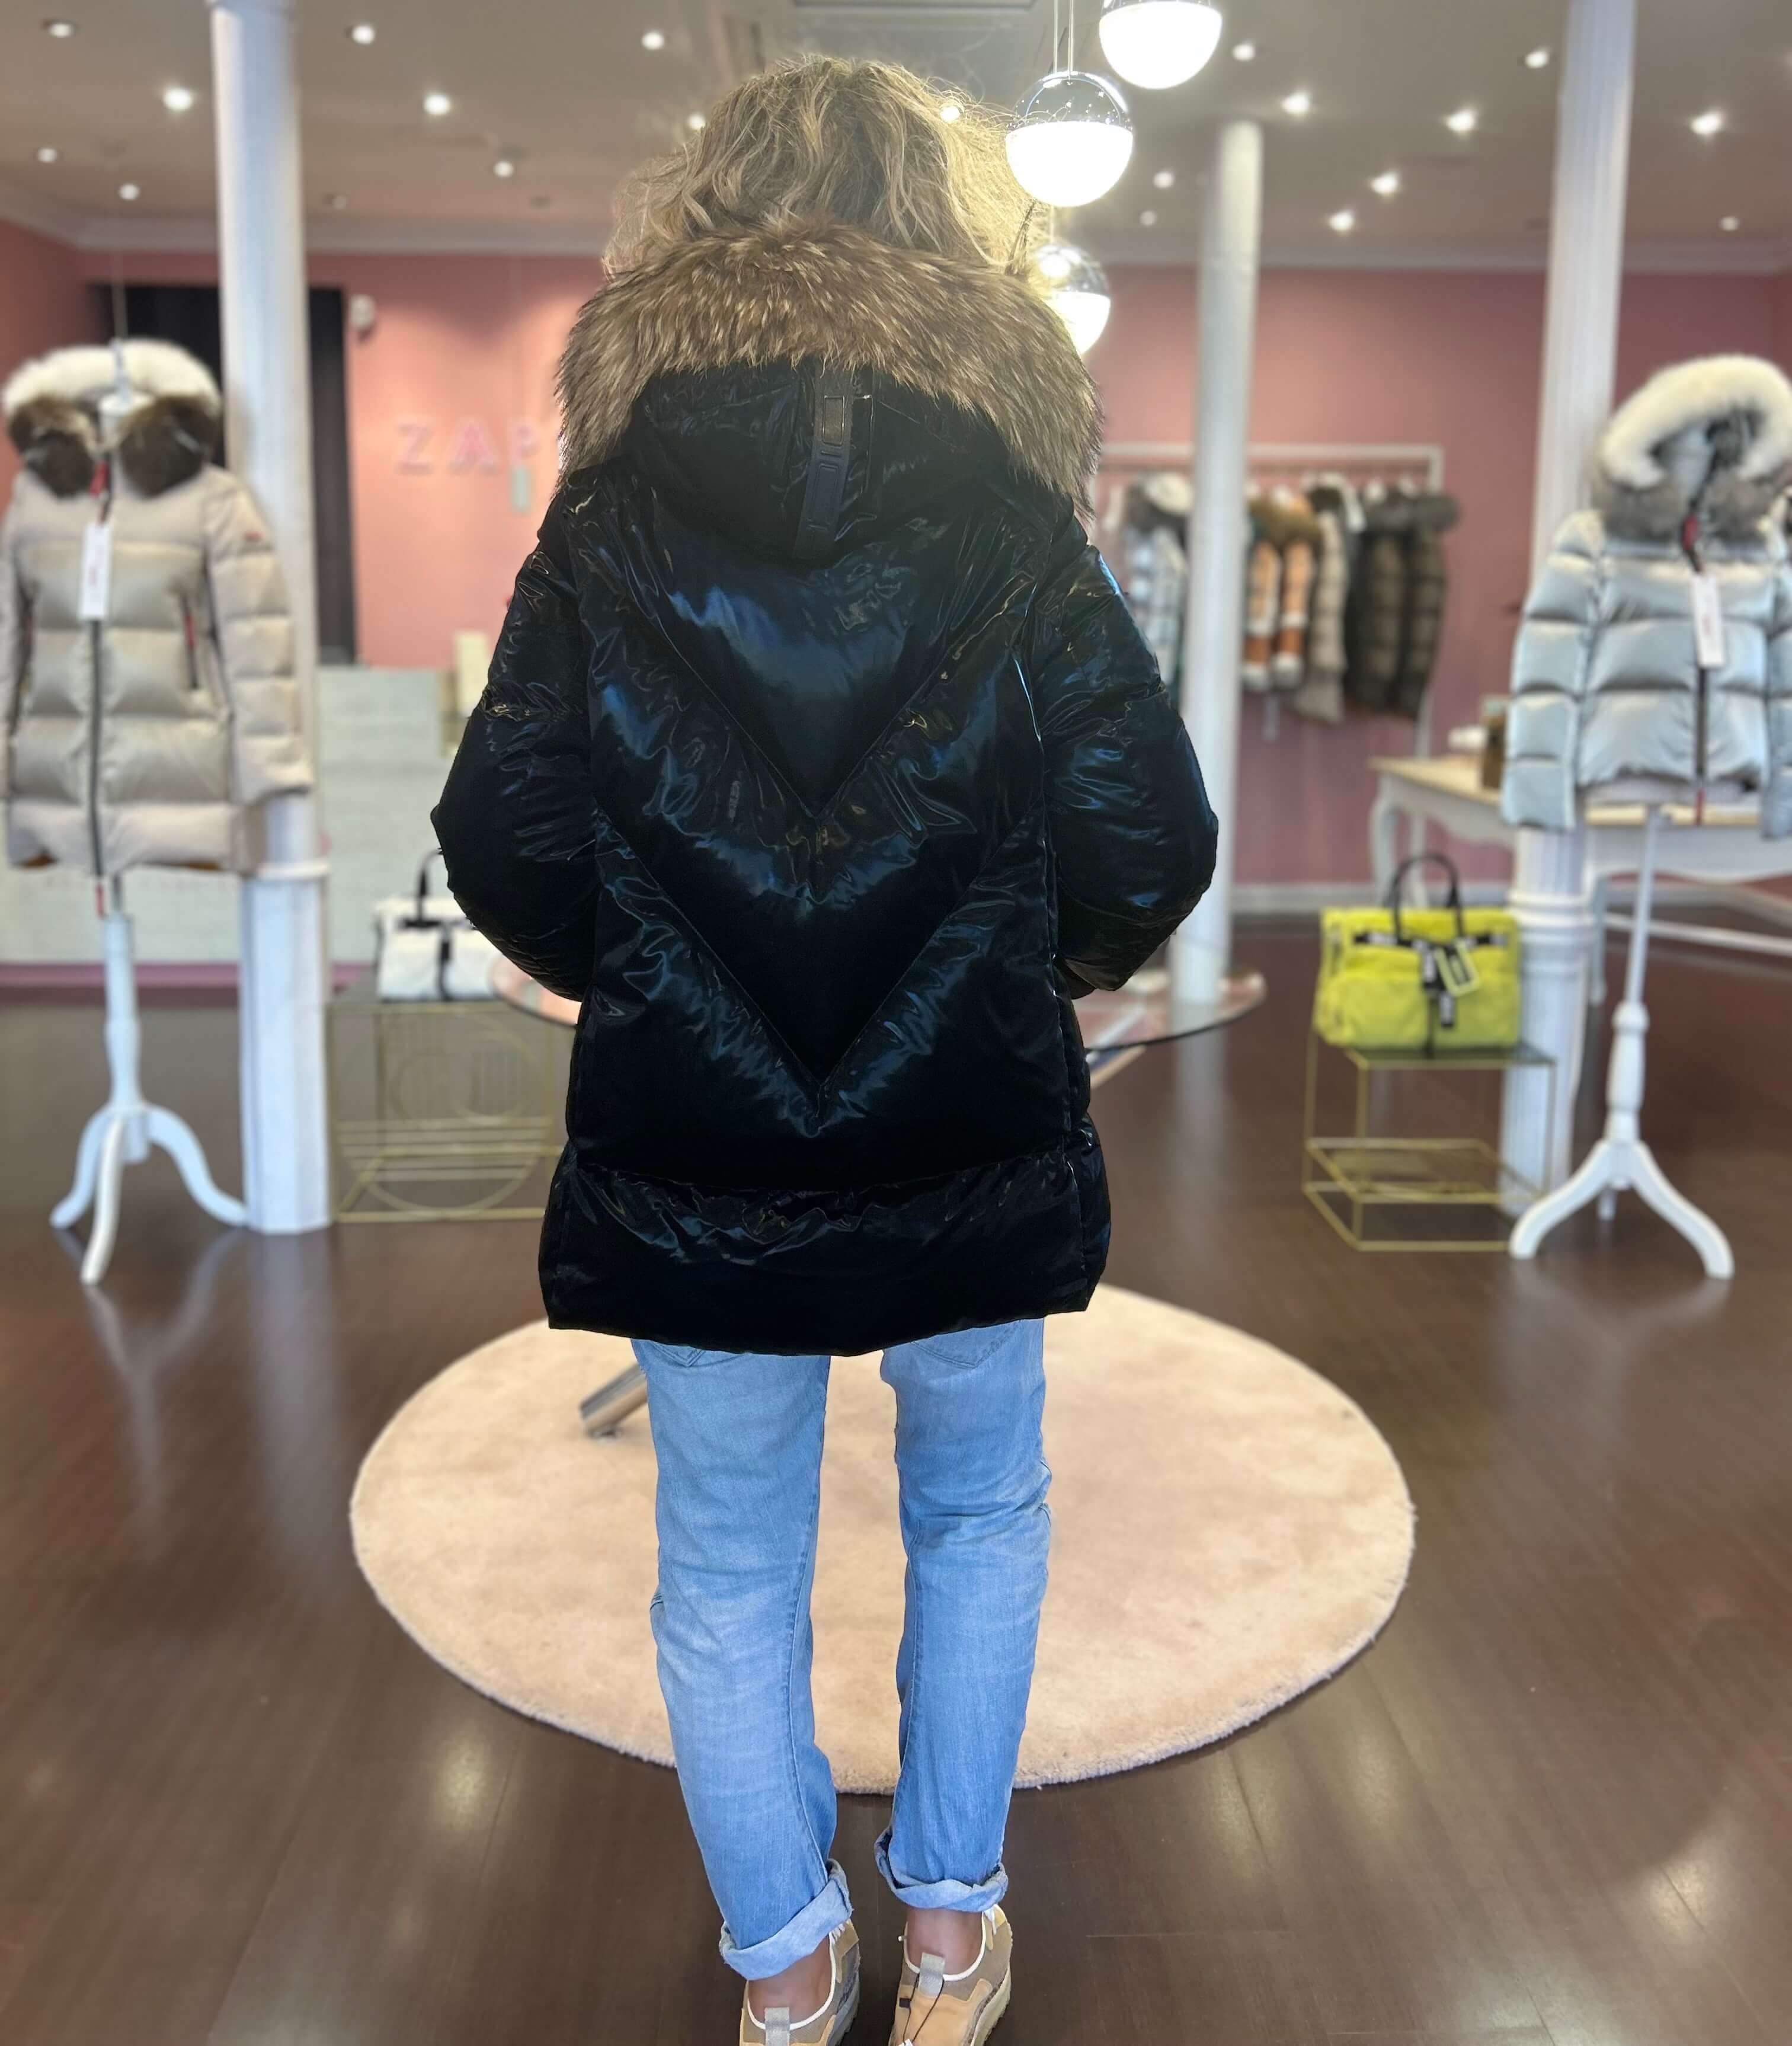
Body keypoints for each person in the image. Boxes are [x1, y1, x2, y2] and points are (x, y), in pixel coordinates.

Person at [434, 53, 1216, 2046]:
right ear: (946, 236)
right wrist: (1034, 970)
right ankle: (948, 1951)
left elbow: (499, 837)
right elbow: (1152, 835)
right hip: (969, 1115)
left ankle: (787, 1973)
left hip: (699, 1138)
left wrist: (655, 970)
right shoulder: (1013, 513)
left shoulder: (608, 514)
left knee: (722, 1562)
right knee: (979, 1511)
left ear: (705, 227)